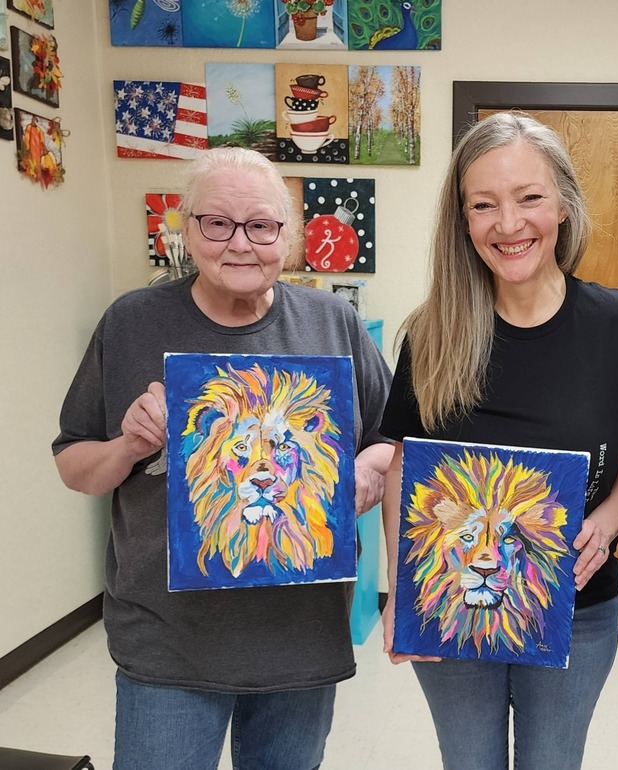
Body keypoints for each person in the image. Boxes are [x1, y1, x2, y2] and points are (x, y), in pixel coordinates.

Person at [52, 147, 394, 769]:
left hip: (301, 638)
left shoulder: (333, 322)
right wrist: (130, 445)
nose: (240, 244)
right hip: (168, 642)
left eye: (262, 226)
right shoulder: (131, 321)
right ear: (186, 230)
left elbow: (393, 436)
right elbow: (73, 465)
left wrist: (370, 465)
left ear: (288, 238)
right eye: (217, 223)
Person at [379, 111, 618, 770]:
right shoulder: (432, 334)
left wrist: (608, 522)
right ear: (463, 221)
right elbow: (401, 469)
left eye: (529, 197)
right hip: (451, 608)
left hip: (575, 608)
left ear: (562, 204)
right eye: (484, 205)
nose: (508, 224)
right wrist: (401, 593)